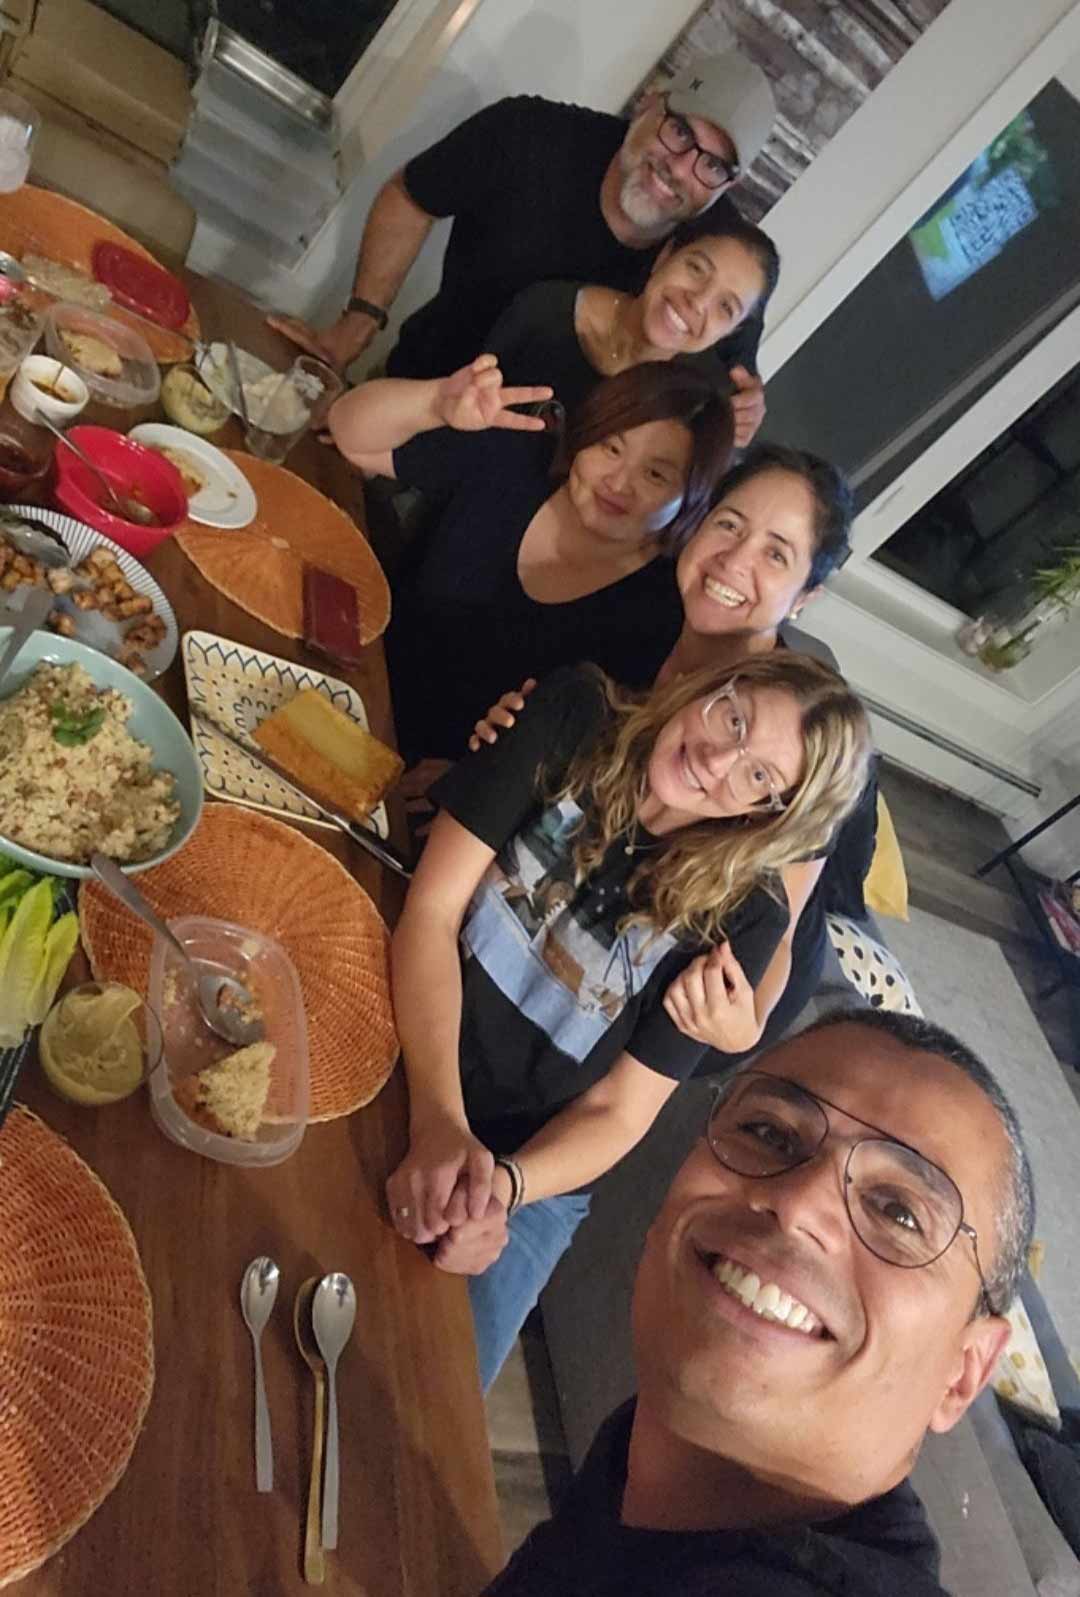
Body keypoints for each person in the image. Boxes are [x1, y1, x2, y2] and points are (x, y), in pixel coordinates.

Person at [385, 654, 873, 1389]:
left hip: (531, 1162)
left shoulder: (746, 917)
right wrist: (439, 1121)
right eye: (734, 718)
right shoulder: (575, 715)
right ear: (715, 686)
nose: (716, 760)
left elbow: (619, 1109)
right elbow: (431, 912)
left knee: (438, 1393)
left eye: (758, 776)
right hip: (402, 1029)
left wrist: (497, 1192)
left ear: (770, 813)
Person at [483, 1008, 1035, 1596]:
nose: (797, 1204)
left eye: (898, 1212)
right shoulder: (638, 1471)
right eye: (769, 1134)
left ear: (963, 1375)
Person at [470, 443, 872, 1067]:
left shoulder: (794, 735)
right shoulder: (636, 613)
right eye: (729, 524)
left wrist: (745, 1029)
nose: (734, 560)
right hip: (598, 862)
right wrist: (499, 750)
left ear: (804, 597)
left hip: (729, 958)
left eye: (776, 554)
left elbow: (779, 933)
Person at [268, 49, 777, 446]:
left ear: (728, 186)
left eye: (713, 164)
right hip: (410, 404)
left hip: (534, 484)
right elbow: (413, 196)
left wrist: (745, 411)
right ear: (649, 102)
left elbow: (733, 388)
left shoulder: (724, 254)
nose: (681, 167)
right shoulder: (529, 134)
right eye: (680, 130)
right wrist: (357, 324)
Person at [328, 356, 735, 763]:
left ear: (691, 499)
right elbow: (351, 434)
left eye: (655, 475)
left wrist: (463, 780)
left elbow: (585, 756)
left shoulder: (658, 614)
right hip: (342, 671)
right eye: (611, 447)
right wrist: (433, 403)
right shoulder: (517, 458)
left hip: (416, 780)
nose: (618, 482)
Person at [487, 210, 780, 421]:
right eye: (696, 269)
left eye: (726, 307)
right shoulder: (544, 310)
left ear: (732, 331)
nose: (698, 301)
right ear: (665, 257)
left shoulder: (700, 406)